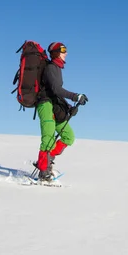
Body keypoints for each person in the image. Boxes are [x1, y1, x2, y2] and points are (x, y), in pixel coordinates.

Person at [35, 42, 88, 180]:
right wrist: (75, 96)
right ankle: (43, 172)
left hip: (54, 104)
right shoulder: (51, 68)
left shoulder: (57, 69)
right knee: (48, 137)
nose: (66, 53)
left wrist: (69, 107)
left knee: (68, 136)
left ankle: (47, 160)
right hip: (45, 103)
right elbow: (56, 90)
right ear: (56, 53)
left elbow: (56, 93)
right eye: (63, 50)